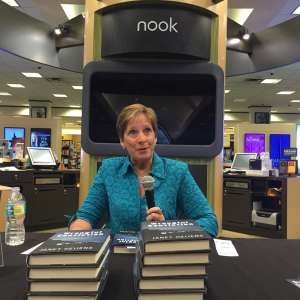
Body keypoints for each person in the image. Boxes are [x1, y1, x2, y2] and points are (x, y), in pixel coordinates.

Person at [69, 104, 218, 236]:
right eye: (133, 132)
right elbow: (86, 216)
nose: (142, 139)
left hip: (162, 257)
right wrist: (77, 235)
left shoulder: (178, 171)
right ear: (122, 140)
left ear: (155, 137)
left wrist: (171, 230)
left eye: (147, 130)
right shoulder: (108, 170)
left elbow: (209, 222)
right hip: (120, 256)